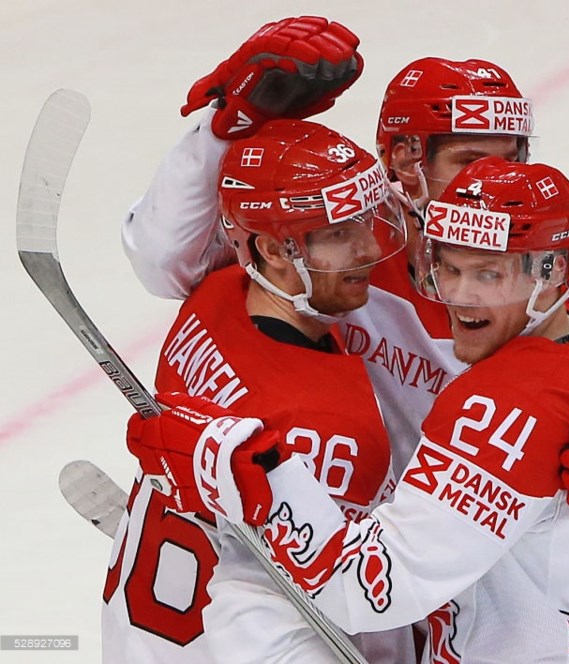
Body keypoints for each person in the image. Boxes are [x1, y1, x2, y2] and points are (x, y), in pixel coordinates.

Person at [128, 156, 569, 663]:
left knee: (244, 601)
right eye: (448, 267)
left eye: (488, 274)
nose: (460, 297)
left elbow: (367, 591)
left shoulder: (499, 406)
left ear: (552, 275)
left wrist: (243, 468)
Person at [124, 51, 535, 477]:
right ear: (405, 161)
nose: (495, 183)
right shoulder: (337, 235)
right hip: (372, 518)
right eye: (471, 163)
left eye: (513, 161)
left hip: (493, 522)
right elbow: (164, 263)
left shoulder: (550, 263)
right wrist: (218, 135)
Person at [104, 116, 414, 662]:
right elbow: (353, 606)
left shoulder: (213, 296)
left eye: (365, 221)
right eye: (339, 234)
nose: (367, 248)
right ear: (273, 251)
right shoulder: (333, 430)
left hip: (142, 629)